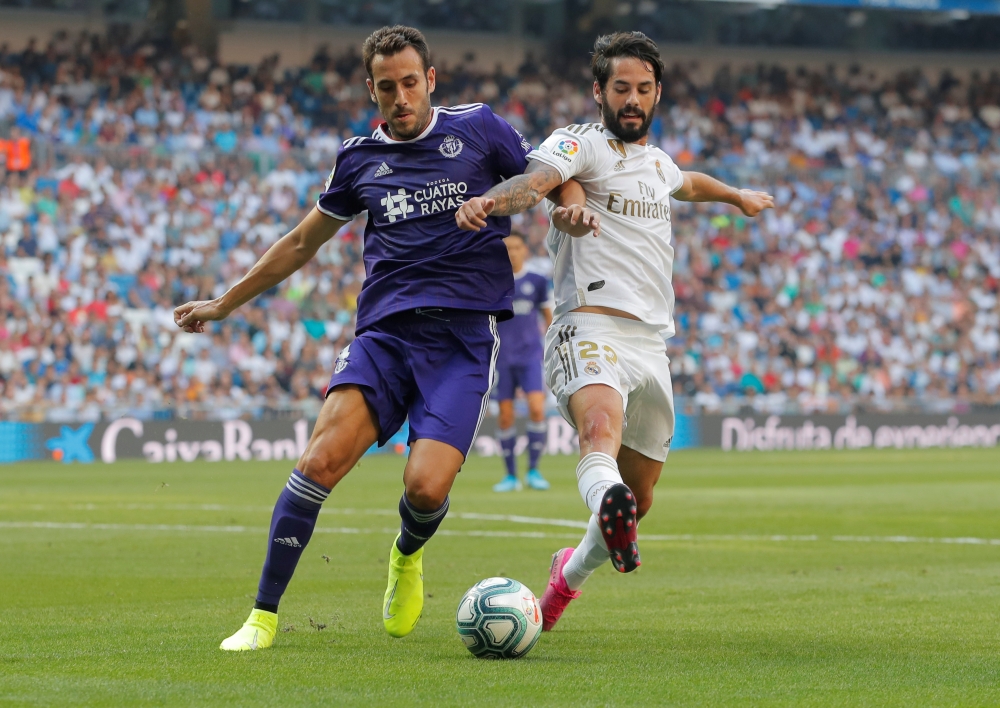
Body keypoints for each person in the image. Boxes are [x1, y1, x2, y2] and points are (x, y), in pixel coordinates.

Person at [174, 25, 595, 651]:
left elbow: (554, 174)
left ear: (430, 80)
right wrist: (224, 304)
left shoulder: (480, 129)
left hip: (461, 342)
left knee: (424, 488)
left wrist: (573, 203)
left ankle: (405, 555)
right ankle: (262, 617)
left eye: (409, 83)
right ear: (371, 91)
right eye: (385, 87)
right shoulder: (358, 160)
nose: (399, 97)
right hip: (384, 336)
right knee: (317, 462)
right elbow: (299, 244)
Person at [455, 31, 773, 630]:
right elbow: (536, 182)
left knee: (641, 497)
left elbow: (688, 182)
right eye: (621, 88)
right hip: (588, 325)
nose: (632, 99)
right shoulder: (579, 143)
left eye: (643, 90)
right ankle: (606, 501)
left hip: (652, 344)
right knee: (598, 432)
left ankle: (564, 578)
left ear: (658, 94)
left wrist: (736, 196)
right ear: (598, 91)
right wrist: (490, 205)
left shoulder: (657, 163)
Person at [492, 232, 553, 492]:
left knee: (537, 409)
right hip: (502, 358)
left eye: (517, 247)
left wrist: (554, 348)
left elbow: (548, 316)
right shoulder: (493, 283)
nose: (512, 252)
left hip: (530, 356)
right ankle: (510, 476)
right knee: (505, 416)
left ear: (524, 250)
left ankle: (534, 470)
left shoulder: (537, 281)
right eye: (507, 248)